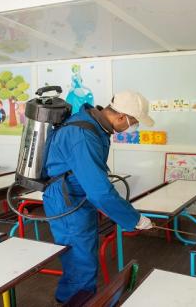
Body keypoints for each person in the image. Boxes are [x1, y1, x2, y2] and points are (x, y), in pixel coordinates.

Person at [43, 90, 155, 305]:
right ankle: (72, 302)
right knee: (80, 260)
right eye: (135, 122)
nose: (133, 127)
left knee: (83, 255)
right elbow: (100, 191)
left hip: (77, 196)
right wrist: (135, 219)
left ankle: (70, 299)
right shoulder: (83, 134)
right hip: (67, 200)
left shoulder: (95, 126)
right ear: (121, 117)